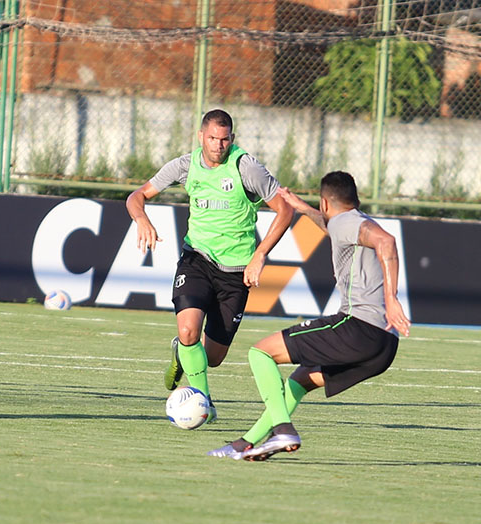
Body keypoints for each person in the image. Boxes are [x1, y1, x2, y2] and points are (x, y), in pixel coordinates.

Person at [208, 171, 411, 460]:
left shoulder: (347, 222)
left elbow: (387, 242)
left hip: (359, 328)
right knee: (301, 378)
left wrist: (391, 299)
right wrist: (302, 208)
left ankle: (282, 429)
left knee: (260, 353)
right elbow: (332, 226)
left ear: (326, 202)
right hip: (384, 345)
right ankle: (247, 442)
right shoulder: (349, 221)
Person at [126, 109, 292, 418]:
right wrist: (142, 219)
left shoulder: (246, 167)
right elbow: (138, 195)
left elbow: (284, 210)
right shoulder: (185, 165)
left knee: (213, 357)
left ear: (232, 138)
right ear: (201, 136)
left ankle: (182, 353)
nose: (218, 145)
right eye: (213, 138)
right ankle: (203, 399)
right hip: (197, 259)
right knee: (189, 331)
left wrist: (260, 254)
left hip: (236, 272)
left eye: (225, 139)